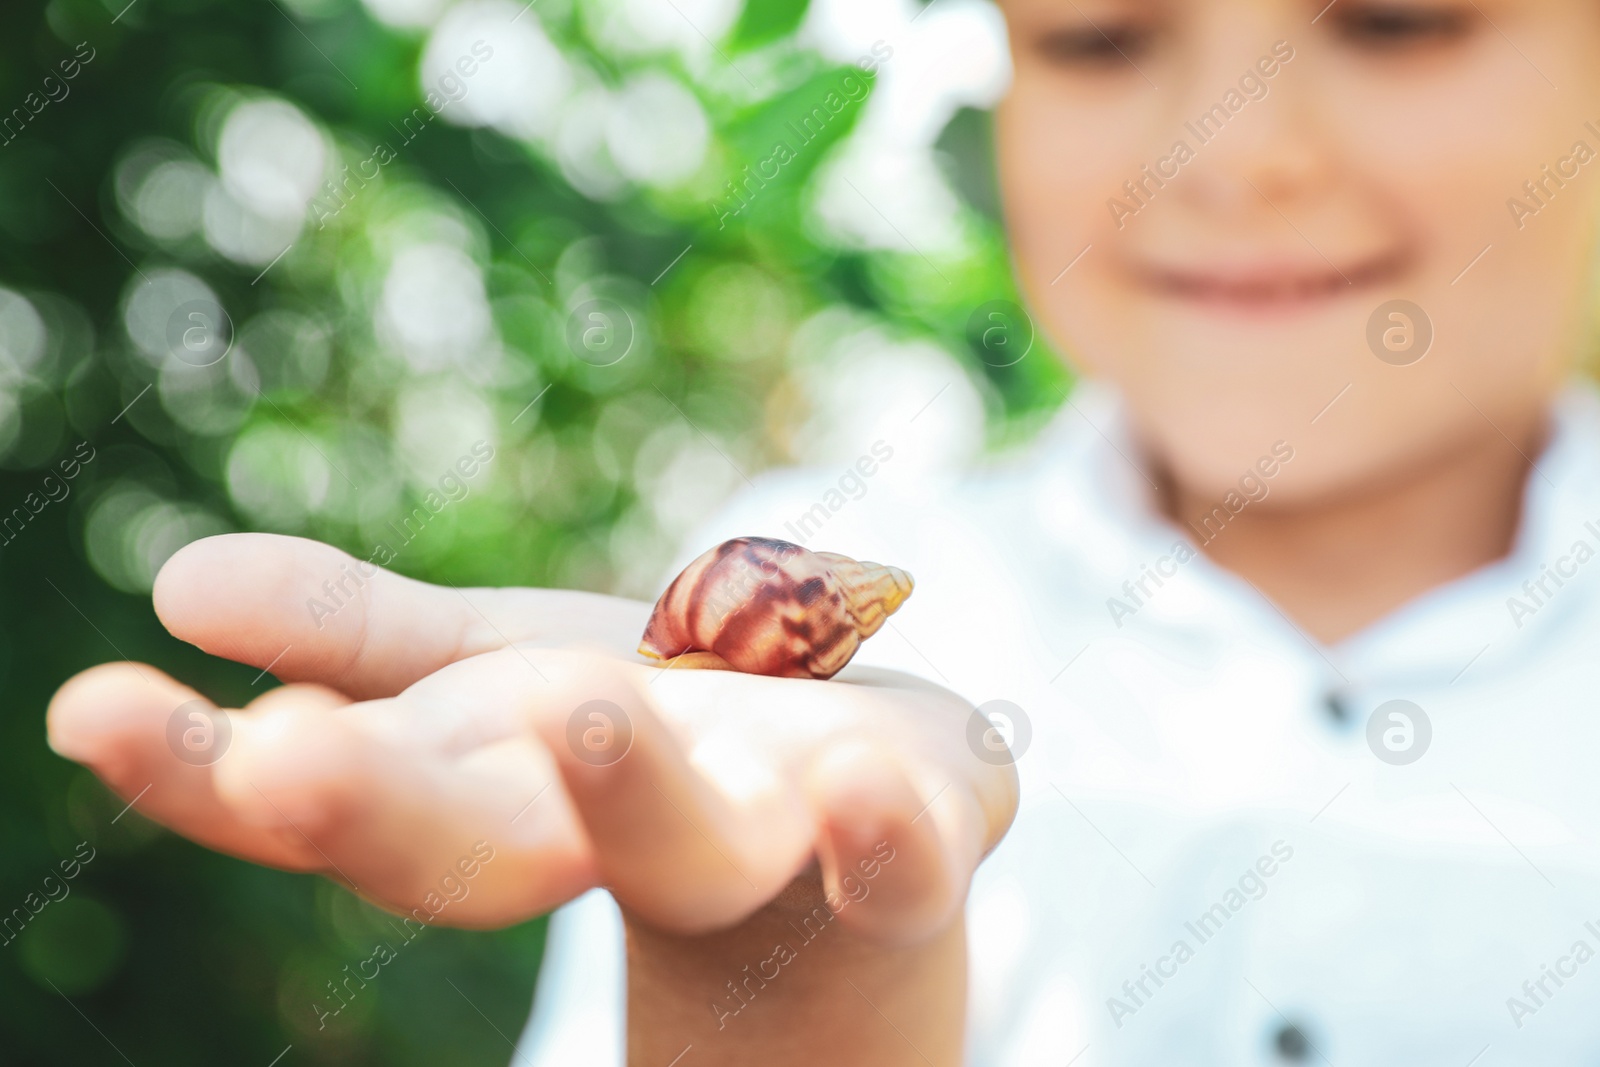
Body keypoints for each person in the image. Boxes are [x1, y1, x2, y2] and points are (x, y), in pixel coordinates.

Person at [47, 0, 1600, 1062]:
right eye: (1099, 35)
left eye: (1403, 18)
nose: (1238, 149)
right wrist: (787, 994)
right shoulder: (777, 684)